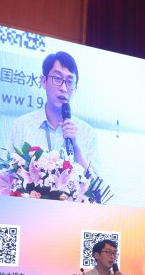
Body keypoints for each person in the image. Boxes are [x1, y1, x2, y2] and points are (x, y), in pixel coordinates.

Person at [6, 51, 100, 180]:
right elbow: (5, 174)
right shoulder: (21, 126)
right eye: (57, 79)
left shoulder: (88, 133)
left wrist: (76, 146)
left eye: (70, 82)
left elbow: (96, 187)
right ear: (43, 81)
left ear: (75, 88)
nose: (63, 88)